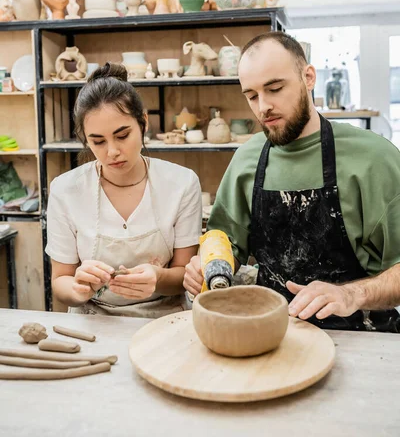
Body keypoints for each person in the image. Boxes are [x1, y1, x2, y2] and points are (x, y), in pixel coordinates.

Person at [184, 31, 400, 332]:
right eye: (251, 95)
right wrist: (207, 266)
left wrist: (352, 293)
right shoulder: (246, 160)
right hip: (272, 331)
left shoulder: (375, 159)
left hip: (363, 337)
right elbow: (225, 241)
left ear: (308, 77)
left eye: (274, 89)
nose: (263, 107)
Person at [46, 63, 202, 318]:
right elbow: (60, 281)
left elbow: (184, 273)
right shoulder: (65, 190)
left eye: (122, 135)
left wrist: (158, 277)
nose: (112, 151)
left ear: (143, 122)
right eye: (98, 141)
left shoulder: (182, 184)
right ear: (85, 139)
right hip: (92, 318)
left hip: (163, 318)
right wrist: (78, 288)